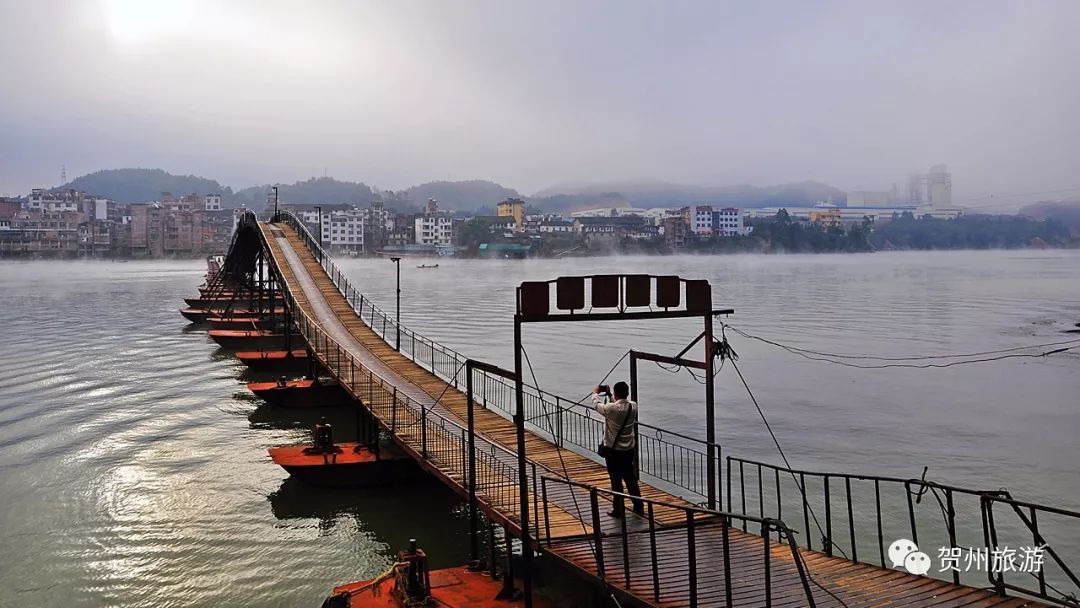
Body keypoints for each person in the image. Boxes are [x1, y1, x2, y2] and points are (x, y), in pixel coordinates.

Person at [592, 381, 644, 517]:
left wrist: (595, 393)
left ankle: (618, 509)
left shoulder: (611, 409)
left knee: (616, 480)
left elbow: (597, 406)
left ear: (616, 394)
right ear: (627, 393)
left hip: (613, 452)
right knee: (630, 479)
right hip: (628, 451)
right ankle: (639, 506)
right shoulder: (633, 406)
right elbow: (617, 408)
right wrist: (610, 395)